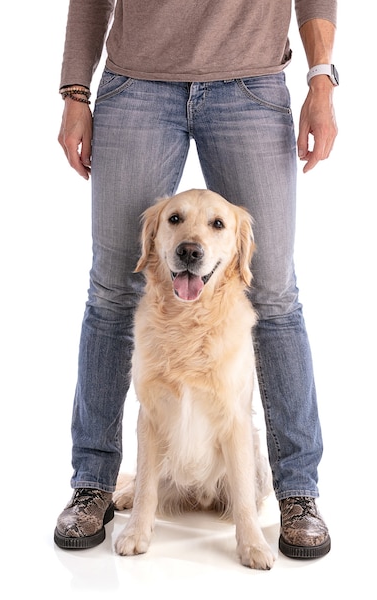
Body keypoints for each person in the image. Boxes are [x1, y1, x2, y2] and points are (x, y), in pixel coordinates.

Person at [54, 0, 338, 559]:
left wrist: (321, 78)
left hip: (252, 82)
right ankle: (93, 482)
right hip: (136, 84)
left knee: (275, 293)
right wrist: (75, 93)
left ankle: (297, 492)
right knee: (113, 291)